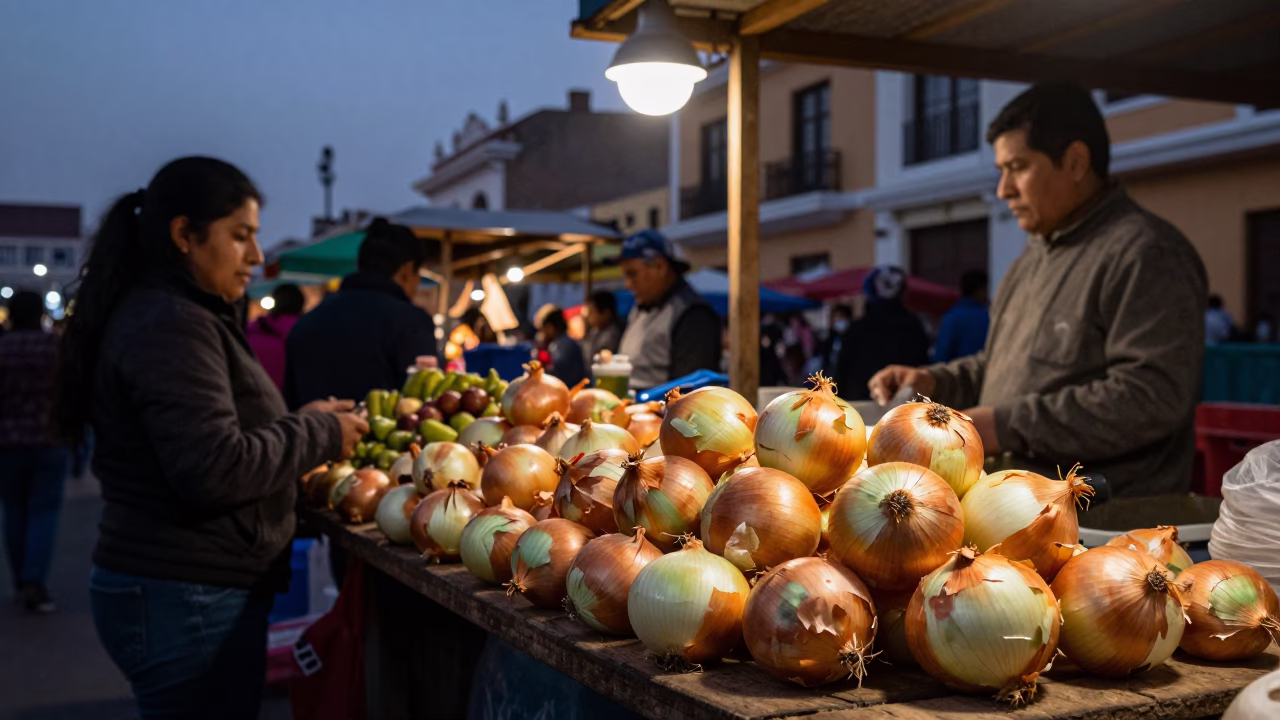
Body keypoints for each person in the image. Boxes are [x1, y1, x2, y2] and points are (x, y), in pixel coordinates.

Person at [52, 157, 367, 719]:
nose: (255, 257)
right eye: (240, 236)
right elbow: (214, 466)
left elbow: (214, 434)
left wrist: (302, 420)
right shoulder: (170, 324)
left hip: (184, 587)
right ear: (184, 236)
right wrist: (320, 430)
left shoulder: (180, 313)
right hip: (184, 592)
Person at [869, 82, 1207, 497]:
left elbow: (1150, 398)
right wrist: (935, 382)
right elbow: (998, 367)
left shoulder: (1146, 253)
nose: (1003, 190)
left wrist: (1005, 426)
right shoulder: (1031, 259)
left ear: (1076, 162)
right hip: (1014, 507)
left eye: (1018, 167)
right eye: (1001, 171)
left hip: (1107, 527)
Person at [285, 217, 438, 409]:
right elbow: (425, 406)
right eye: (418, 276)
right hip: (379, 437)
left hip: (311, 436)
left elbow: (291, 404)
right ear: (407, 270)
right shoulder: (412, 322)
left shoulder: (305, 323)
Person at [0, 291, 67, 613]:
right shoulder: (54, 346)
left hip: (7, 442)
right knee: (44, 512)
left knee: (14, 510)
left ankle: (18, 581)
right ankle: (34, 580)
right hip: (48, 439)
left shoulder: (3, 347)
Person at [609, 230, 720, 390]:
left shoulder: (693, 314)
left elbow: (689, 392)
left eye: (633, 274)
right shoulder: (639, 309)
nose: (627, 284)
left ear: (660, 267)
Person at [833, 266, 930, 401]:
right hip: (904, 405)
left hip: (861, 406)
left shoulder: (858, 328)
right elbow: (922, 368)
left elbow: (842, 372)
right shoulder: (914, 325)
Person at [246, 283, 305, 392]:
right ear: (301, 304)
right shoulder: (305, 334)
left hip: (250, 398)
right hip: (289, 404)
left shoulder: (251, 331)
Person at [932, 269, 991, 362]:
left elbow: (941, 356)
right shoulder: (989, 317)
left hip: (958, 373)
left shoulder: (951, 317)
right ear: (980, 290)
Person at [539, 308, 588, 388]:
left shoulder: (566, 344)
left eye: (545, 328)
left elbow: (558, 368)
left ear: (551, 327)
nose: (543, 333)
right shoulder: (557, 343)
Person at [583, 290, 623, 362]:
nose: (588, 315)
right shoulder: (595, 331)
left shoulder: (612, 333)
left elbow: (595, 358)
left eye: (591, 311)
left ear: (606, 313)